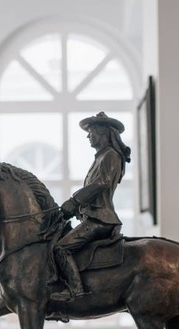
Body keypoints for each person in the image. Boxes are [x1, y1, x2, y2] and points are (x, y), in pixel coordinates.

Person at [52, 111, 131, 301]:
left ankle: (75, 289)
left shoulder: (110, 155)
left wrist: (74, 201)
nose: (88, 136)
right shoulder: (101, 156)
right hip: (93, 216)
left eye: (91, 132)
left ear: (103, 132)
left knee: (60, 248)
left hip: (101, 220)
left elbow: (101, 184)